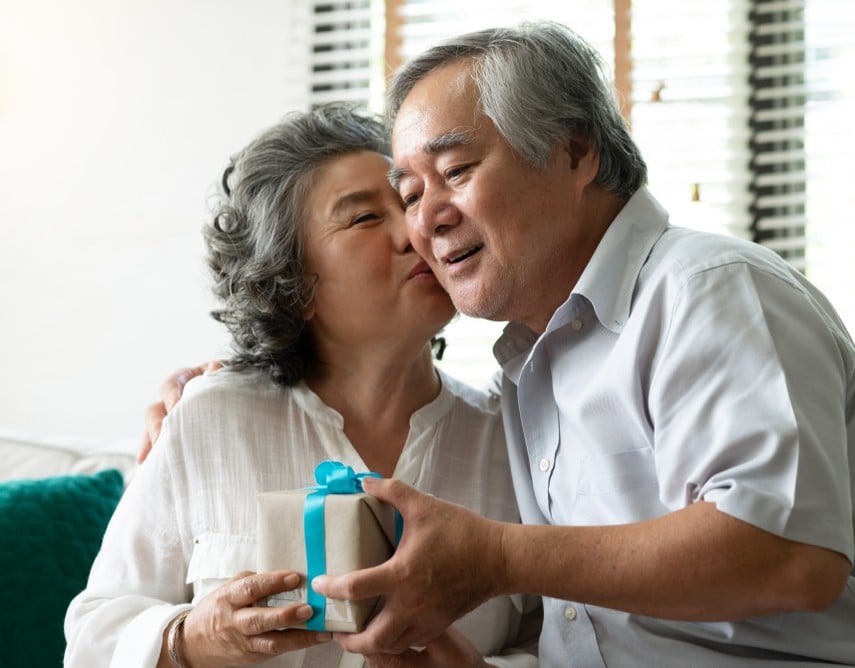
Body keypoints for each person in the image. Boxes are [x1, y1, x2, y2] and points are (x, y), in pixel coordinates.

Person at [301, 21, 855, 667]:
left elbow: (788, 558)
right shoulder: (528, 363)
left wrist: (498, 558)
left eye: (456, 170)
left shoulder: (710, 291)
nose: (427, 218)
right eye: (410, 193)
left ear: (575, 152)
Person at [64, 104, 539, 668]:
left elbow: (569, 639)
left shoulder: (514, 432)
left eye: (409, 201)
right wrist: (193, 639)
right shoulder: (209, 416)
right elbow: (93, 639)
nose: (417, 229)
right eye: (364, 218)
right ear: (292, 284)